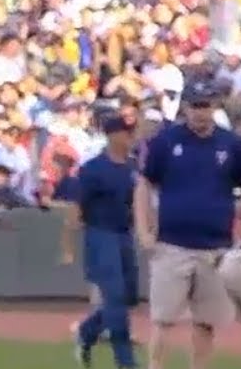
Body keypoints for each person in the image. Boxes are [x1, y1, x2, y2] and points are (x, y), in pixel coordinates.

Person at [135, 79, 241, 369]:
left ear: (215, 106)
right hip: (172, 244)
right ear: (185, 107)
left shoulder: (231, 144)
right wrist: (144, 230)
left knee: (206, 322)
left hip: (215, 248)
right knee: (163, 320)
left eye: (205, 105)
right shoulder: (167, 140)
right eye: (195, 105)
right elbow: (144, 183)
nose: (200, 112)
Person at [63, 113, 139, 369]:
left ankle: (86, 332)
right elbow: (75, 209)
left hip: (124, 234)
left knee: (128, 297)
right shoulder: (93, 168)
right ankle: (125, 362)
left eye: (131, 132)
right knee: (115, 298)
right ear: (112, 134)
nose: (130, 136)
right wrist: (69, 246)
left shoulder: (132, 167)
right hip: (100, 234)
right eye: (126, 132)